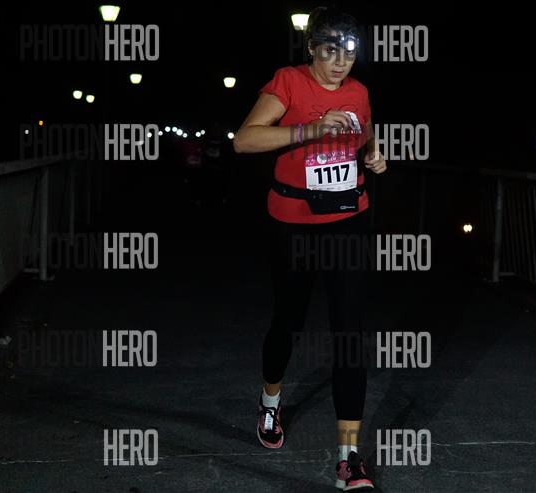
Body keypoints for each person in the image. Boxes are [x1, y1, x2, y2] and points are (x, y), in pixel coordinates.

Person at [233, 6, 386, 491]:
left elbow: (364, 133)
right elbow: (244, 140)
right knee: (289, 321)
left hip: (348, 219)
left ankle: (348, 459)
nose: (340, 62)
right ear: (312, 48)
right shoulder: (289, 82)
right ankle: (270, 401)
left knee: (350, 333)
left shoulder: (359, 91)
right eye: (330, 51)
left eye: (349, 52)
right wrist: (312, 129)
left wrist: (373, 154)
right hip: (294, 223)